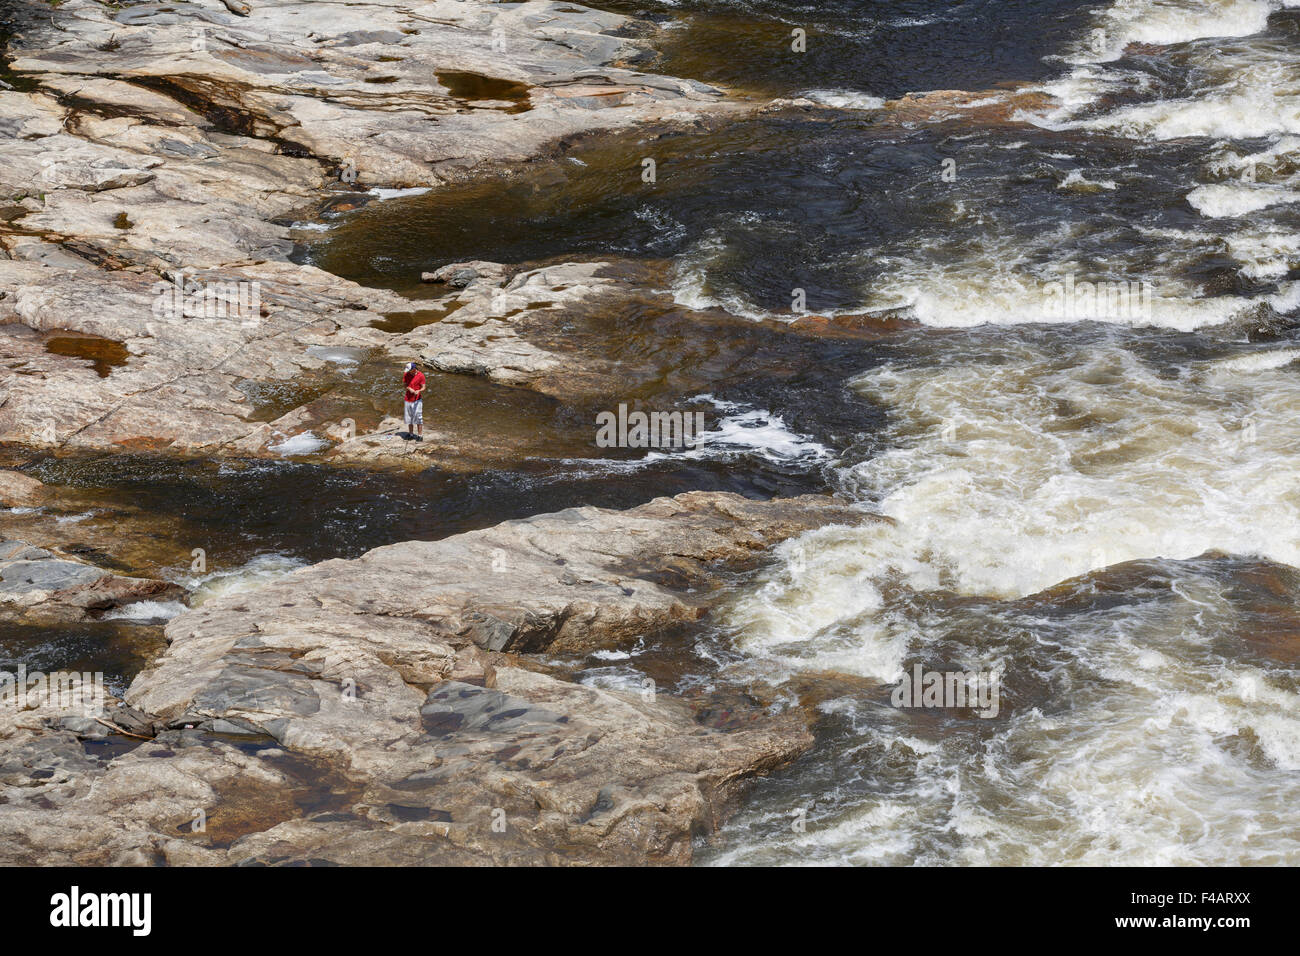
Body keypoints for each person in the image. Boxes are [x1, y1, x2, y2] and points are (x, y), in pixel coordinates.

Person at [402, 361, 425, 441]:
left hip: (417, 400)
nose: (408, 372)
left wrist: (419, 391)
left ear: (414, 369)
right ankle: (411, 434)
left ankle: (420, 435)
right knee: (409, 418)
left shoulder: (421, 375)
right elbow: (405, 385)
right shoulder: (406, 374)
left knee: (418, 417)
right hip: (407, 399)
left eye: (409, 370)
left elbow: (423, 387)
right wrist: (409, 388)